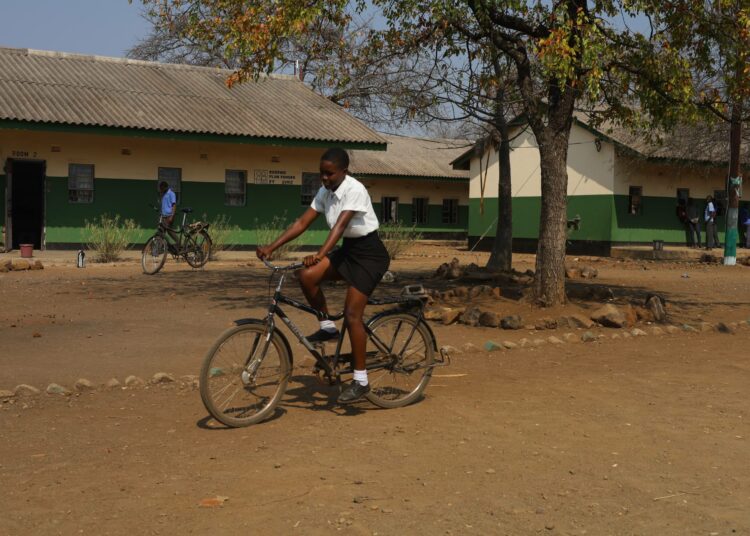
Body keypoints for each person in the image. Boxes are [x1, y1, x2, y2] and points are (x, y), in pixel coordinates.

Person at [256, 148, 390, 404]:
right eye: (322, 173)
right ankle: (327, 327)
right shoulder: (324, 192)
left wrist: (320, 253)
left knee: (352, 315)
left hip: (370, 256)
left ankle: (360, 380)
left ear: (344, 171)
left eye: (329, 173)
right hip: (349, 251)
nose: (324, 178)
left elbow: (340, 226)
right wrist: (271, 247)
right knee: (306, 276)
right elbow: (302, 223)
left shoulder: (355, 189)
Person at [158, 181, 179, 249]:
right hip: (163, 216)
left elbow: (174, 205)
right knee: (162, 231)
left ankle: (179, 243)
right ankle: (159, 247)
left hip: (169, 216)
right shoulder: (163, 194)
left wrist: (172, 216)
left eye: (161, 188)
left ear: (165, 187)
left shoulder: (171, 194)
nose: (160, 190)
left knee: (167, 231)